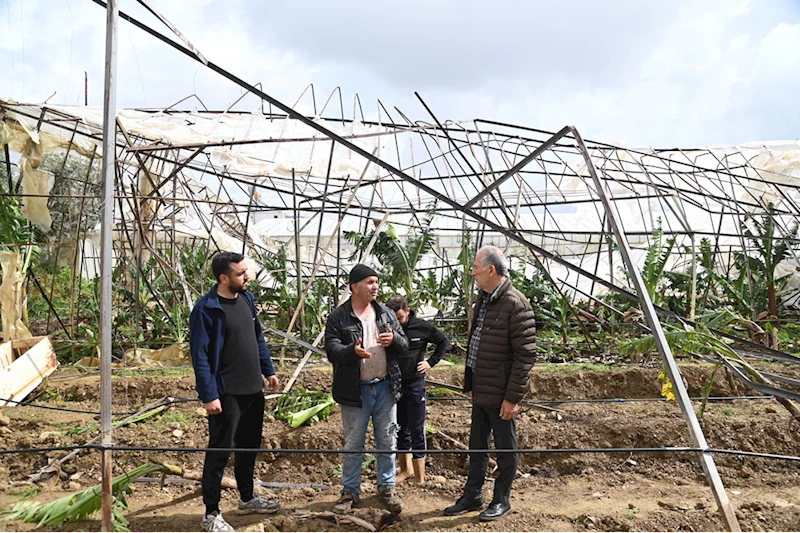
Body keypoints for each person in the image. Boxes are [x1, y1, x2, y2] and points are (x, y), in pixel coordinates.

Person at [443, 245, 536, 521]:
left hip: (501, 393)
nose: (472, 273)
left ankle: (501, 499)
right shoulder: (485, 299)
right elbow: (477, 344)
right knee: (477, 447)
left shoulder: (515, 304)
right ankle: (473, 495)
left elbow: (525, 356)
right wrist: (470, 382)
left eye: (475, 268)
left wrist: (513, 397)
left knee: (506, 449)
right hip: (482, 388)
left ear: (491, 270)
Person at [190, 251, 281, 533]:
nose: (247, 276)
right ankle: (211, 513)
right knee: (219, 451)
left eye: (246, 271)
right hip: (225, 393)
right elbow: (200, 356)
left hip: (253, 388)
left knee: (249, 446)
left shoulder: (246, 300)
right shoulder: (207, 309)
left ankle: (247, 497)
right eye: (241, 273)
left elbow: (258, 339)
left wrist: (269, 370)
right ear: (223, 277)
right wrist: (209, 395)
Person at [324, 264, 409, 514]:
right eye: (370, 282)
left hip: (385, 388)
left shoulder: (384, 313)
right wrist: (352, 351)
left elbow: (404, 345)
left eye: (376, 282)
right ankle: (350, 490)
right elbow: (331, 351)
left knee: (387, 441)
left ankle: (387, 487)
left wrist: (394, 340)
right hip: (355, 392)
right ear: (355, 287)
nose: (375, 287)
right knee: (353, 444)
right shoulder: (338, 317)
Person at [385, 295, 449, 484]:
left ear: (408, 311)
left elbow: (443, 341)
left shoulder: (421, 327)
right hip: (395, 386)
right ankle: (406, 470)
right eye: (393, 319)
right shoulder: (388, 328)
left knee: (416, 429)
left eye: (400, 318)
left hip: (415, 385)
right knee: (400, 429)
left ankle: (420, 477)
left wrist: (430, 362)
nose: (397, 322)